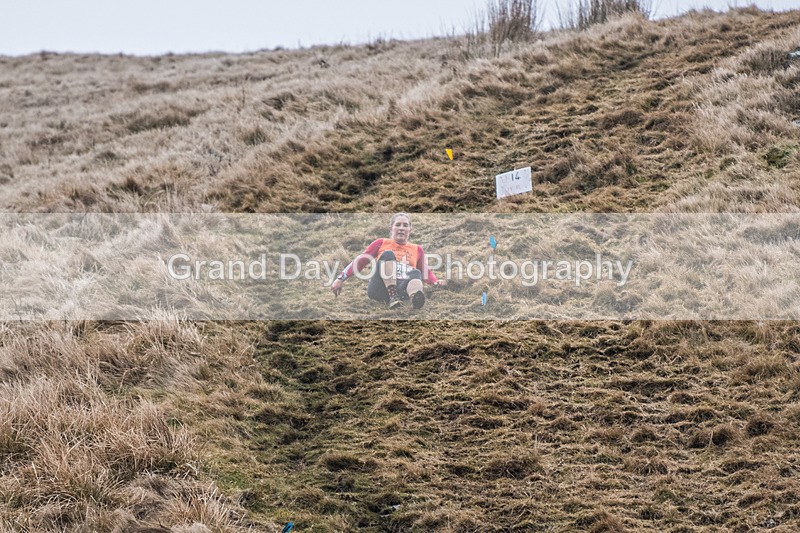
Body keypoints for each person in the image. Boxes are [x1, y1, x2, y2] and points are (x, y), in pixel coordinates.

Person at [331, 212, 444, 309]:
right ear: (391, 228)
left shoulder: (417, 249)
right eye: (398, 225)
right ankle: (393, 297)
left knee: (416, 273)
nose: (401, 228)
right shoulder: (381, 243)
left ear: (410, 229)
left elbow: (425, 272)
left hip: (402, 288)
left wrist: (436, 282)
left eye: (405, 225)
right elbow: (361, 261)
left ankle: (415, 299)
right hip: (379, 288)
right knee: (388, 254)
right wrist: (340, 278)